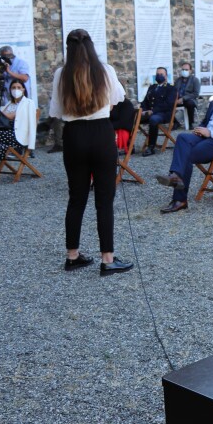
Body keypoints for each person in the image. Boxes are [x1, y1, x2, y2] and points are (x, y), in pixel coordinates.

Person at [47, 29, 132, 275]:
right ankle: (107, 258)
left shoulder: (60, 74)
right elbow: (117, 100)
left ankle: (72, 256)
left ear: (68, 48)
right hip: (101, 132)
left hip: (73, 135)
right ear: (92, 46)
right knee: (104, 200)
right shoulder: (105, 70)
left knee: (76, 198)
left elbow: (55, 110)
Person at [155, 67, 213, 213]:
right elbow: (206, 121)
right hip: (205, 136)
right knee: (182, 137)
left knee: (186, 155)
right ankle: (175, 177)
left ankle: (179, 199)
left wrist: (211, 132)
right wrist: (199, 129)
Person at [140, 67, 176, 156]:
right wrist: (142, 110)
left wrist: (153, 111)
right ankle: (129, 146)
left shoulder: (171, 88)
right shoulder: (152, 87)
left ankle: (151, 147)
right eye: (157, 74)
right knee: (133, 117)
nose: (159, 76)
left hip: (164, 114)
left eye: (161, 74)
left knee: (153, 119)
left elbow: (168, 104)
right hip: (149, 112)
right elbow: (145, 101)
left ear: (166, 76)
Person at [173, 62, 201, 128]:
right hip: (177, 99)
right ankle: (175, 123)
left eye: (186, 70)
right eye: (183, 70)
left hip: (189, 99)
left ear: (190, 71)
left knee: (190, 104)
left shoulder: (195, 80)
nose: (184, 71)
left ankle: (190, 123)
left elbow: (196, 93)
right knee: (167, 104)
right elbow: (174, 91)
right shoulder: (178, 80)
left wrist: (183, 98)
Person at [109, 89, 136, 155]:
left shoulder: (126, 104)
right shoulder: (113, 103)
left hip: (122, 130)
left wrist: (106, 126)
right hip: (113, 127)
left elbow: (122, 122)